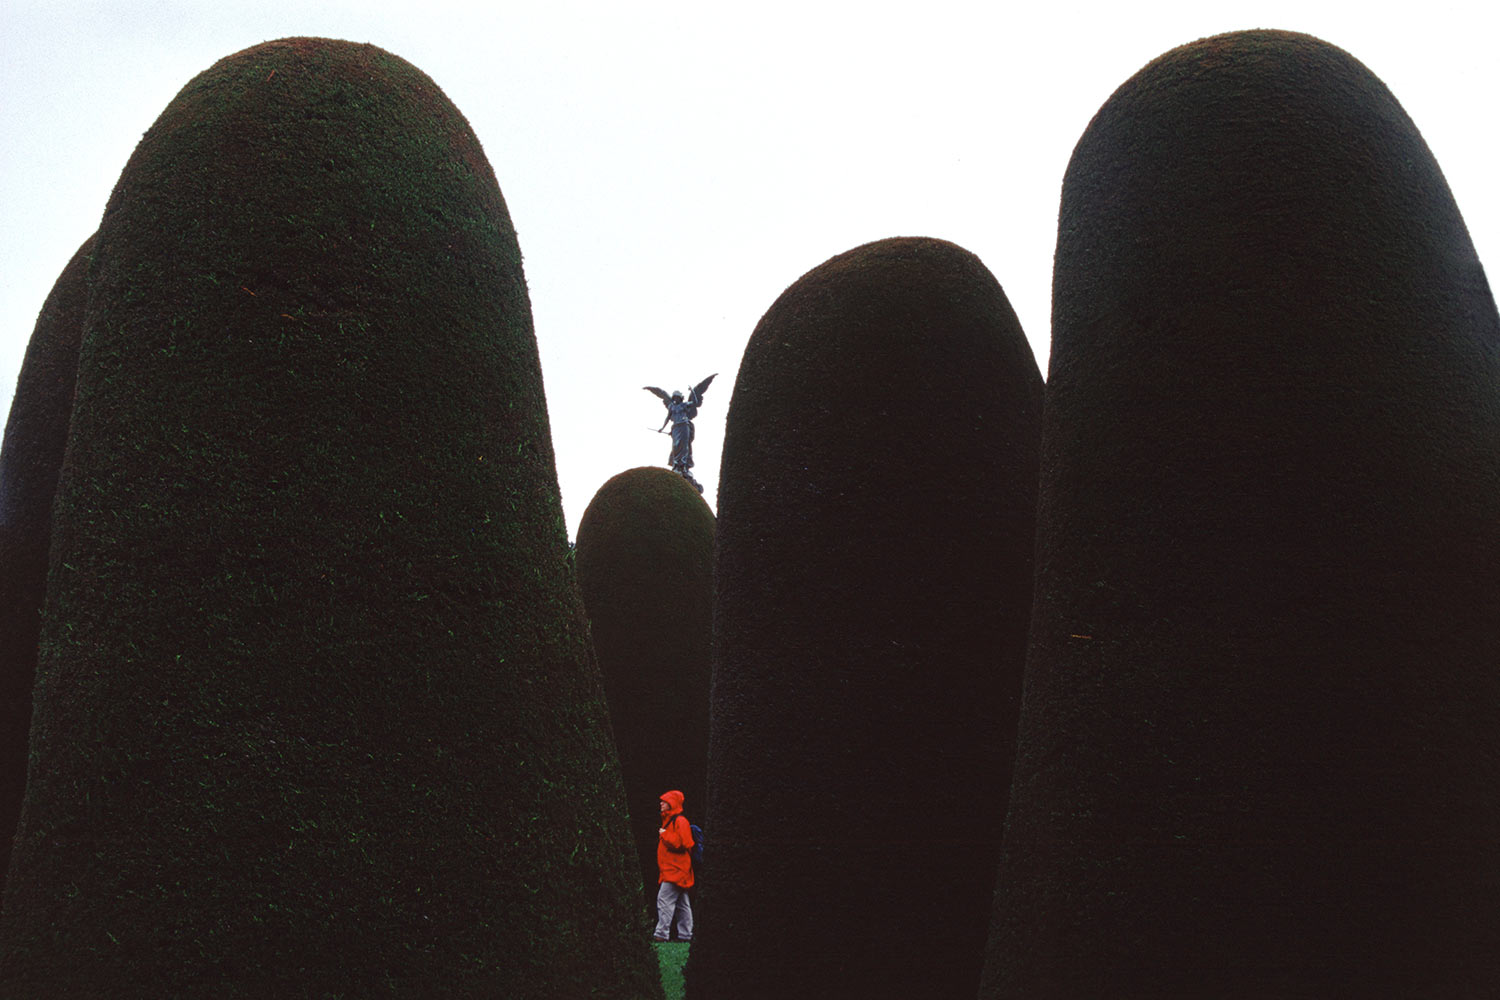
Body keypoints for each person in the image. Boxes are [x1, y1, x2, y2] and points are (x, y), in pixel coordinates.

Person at [653, 789, 695, 942]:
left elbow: (684, 843)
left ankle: (661, 934)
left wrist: (665, 835)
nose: (661, 803)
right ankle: (685, 935)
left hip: (675, 870)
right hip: (675, 870)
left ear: (672, 804)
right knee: (682, 904)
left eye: (664, 801)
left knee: (664, 899)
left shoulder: (680, 821)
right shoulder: (672, 821)